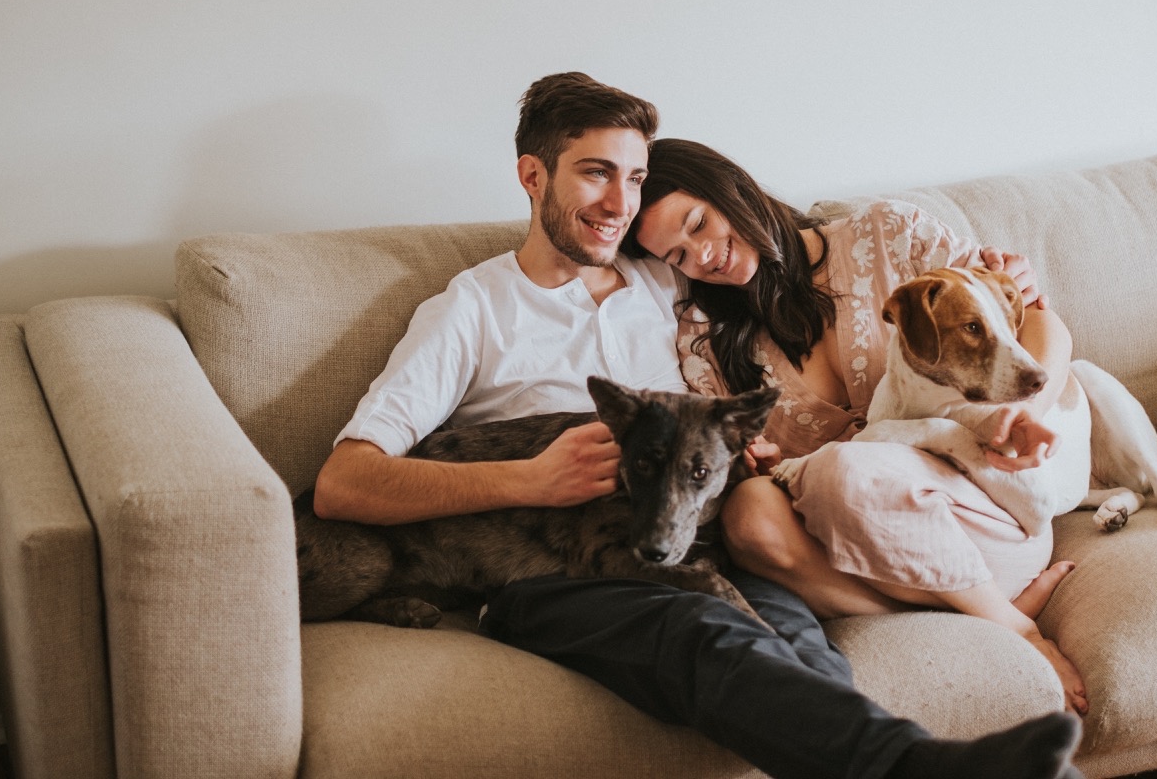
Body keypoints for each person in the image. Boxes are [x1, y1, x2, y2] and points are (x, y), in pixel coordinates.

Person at [315, 73, 1084, 779]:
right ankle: (924, 770)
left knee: (802, 648)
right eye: (594, 172)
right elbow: (342, 483)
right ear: (532, 176)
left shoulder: (666, 283)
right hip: (550, 564)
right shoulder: (470, 310)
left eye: (635, 177)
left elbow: (775, 266)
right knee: (708, 636)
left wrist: (1004, 279)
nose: (619, 201)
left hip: (695, 528)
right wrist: (529, 478)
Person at [624, 138, 1088, 715]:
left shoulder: (888, 233)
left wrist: (1018, 420)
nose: (704, 256)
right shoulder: (704, 340)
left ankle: (1016, 630)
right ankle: (996, 610)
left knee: (846, 468)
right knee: (751, 516)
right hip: (874, 546)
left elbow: (1041, 324)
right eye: (678, 257)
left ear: (733, 189)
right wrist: (756, 461)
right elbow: (743, 468)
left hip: (981, 508)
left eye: (699, 223)